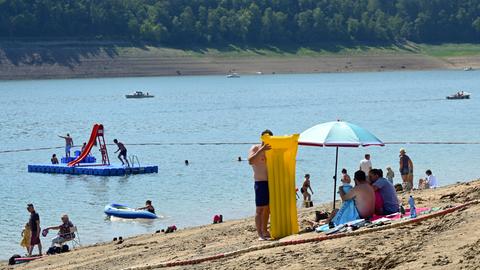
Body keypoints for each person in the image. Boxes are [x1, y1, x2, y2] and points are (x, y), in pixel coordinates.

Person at [248, 129, 272, 240]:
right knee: (260, 209)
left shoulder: (271, 149)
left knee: (267, 208)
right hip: (260, 182)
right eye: (265, 138)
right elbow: (250, 161)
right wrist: (261, 150)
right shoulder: (255, 148)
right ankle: (260, 234)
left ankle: (265, 230)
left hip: (270, 182)